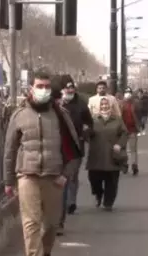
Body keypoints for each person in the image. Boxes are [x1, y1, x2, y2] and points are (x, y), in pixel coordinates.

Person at [3, 71, 81, 256]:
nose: (44, 90)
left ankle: (46, 253)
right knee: (31, 221)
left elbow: (74, 151)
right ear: (31, 88)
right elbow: (9, 150)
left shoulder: (60, 115)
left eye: (47, 86)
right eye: (40, 86)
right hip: (27, 175)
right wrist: (8, 181)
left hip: (54, 176)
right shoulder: (19, 115)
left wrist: (66, 176)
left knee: (51, 223)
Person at [57, 75, 93, 235]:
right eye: (66, 88)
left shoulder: (81, 105)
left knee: (71, 176)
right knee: (62, 180)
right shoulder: (57, 105)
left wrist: (86, 132)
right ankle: (61, 211)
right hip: (59, 148)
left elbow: (90, 123)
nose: (69, 90)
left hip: (76, 146)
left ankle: (71, 202)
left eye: (71, 88)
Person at [86, 97, 128, 211]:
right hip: (96, 156)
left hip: (112, 156)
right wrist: (86, 131)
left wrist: (120, 144)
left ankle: (108, 202)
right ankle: (98, 194)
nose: (104, 107)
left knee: (112, 181)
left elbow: (125, 133)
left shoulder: (118, 120)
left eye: (107, 105)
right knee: (94, 179)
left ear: (111, 106)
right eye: (102, 105)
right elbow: (86, 135)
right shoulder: (93, 120)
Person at [121, 87, 140, 175]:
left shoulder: (135, 103)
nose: (127, 93)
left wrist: (139, 125)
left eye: (129, 92)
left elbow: (138, 115)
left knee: (133, 149)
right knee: (123, 148)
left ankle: (134, 165)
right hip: (122, 130)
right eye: (126, 92)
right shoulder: (120, 104)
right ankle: (124, 164)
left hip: (132, 129)